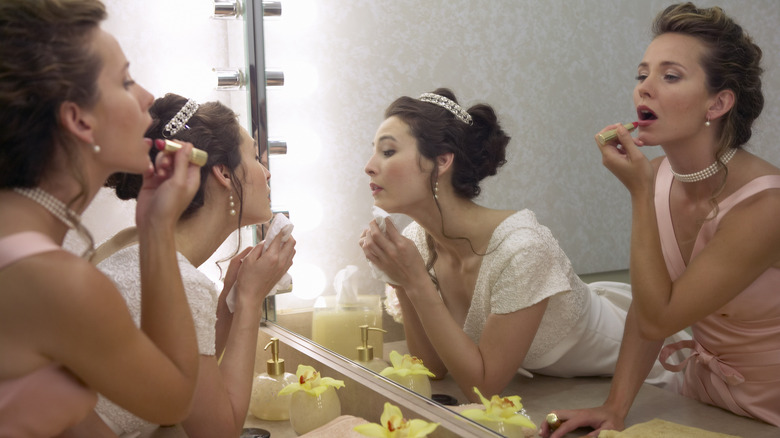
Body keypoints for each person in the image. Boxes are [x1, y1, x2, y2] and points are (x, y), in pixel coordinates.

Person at [359, 88, 689, 402]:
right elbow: (431, 369)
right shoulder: (419, 241)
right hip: (575, 387)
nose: (369, 165)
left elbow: (484, 389)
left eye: (388, 151)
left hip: (659, 372)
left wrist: (415, 280)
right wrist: (401, 279)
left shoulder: (522, 249)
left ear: (442, 162)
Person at [541, 4, 780, 437]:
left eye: (669, 76)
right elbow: (649, 305)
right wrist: (614, 408)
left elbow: (659, 319)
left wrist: (638, 193)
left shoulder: (766, 205)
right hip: (700, 396)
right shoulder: (656, 175)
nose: (643, 90)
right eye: (641, 75)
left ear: (719, 102)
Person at [0, 1, 202, 436]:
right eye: (126, 81)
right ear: (79, 120)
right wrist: (156, 229)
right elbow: (176, 398)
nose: (148, 96)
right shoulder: (54, 282)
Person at [88, 93, 296, 437]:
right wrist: (249, 303)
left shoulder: (127, 243)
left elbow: (175, 377)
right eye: (256, 157)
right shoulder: (181, 281)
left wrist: (229, 299)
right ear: (224, 173)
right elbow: (219, 432)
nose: (268, 172)